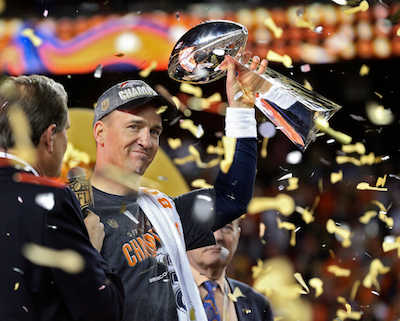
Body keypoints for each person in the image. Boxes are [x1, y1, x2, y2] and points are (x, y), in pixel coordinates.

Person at [90, 55, 268, 321]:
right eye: (134, 127)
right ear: (100, 133)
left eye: (154, 131)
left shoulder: (166, 210)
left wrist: (241, 111)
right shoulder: (77, 216)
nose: (146, 140)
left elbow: (233, 197)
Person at [0, 75, 124, 321]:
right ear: (50, 136)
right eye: (66, 131)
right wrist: (92, 251)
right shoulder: (50, 200)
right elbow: (102, 311)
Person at [188, 219, 273, 321]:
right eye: (204, 225)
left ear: (238, 235)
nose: (217, 236)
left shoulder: (258, 305)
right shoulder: (164, 296)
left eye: (227, 227)